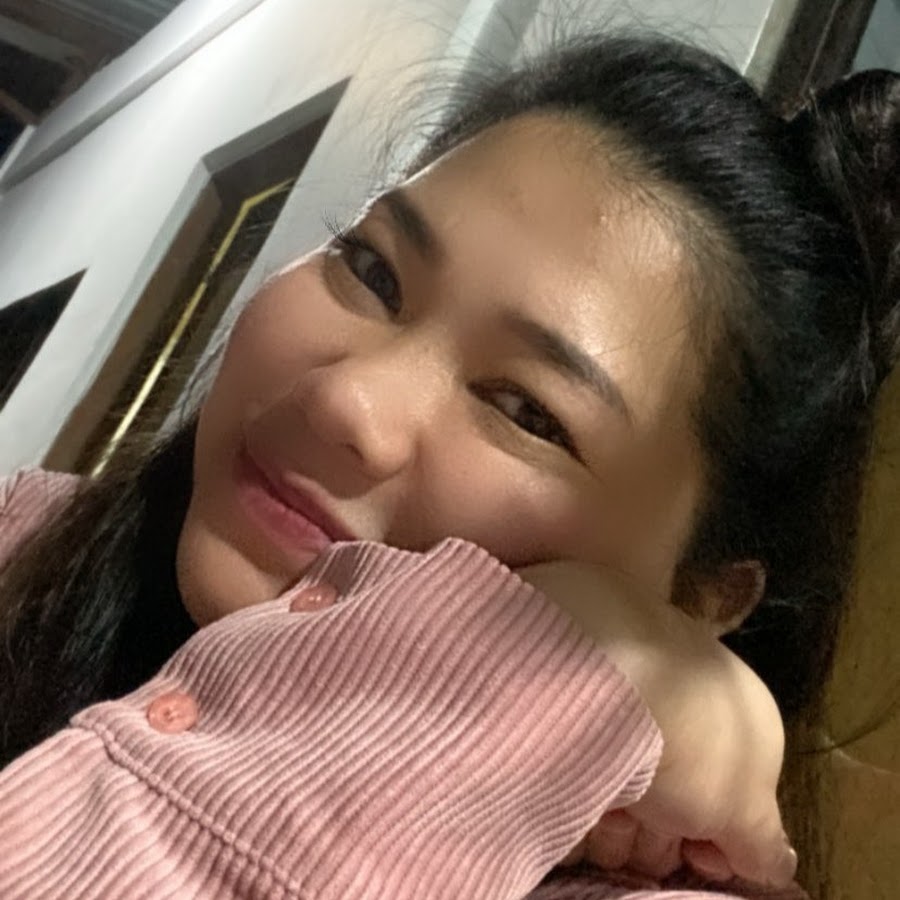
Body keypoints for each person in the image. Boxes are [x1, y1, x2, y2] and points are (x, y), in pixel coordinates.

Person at [0, 31, 897, 899]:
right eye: (373, 271)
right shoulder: (23, 537)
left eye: (527, 411)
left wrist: (479, 695)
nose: (346, 402)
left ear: (702, 601)